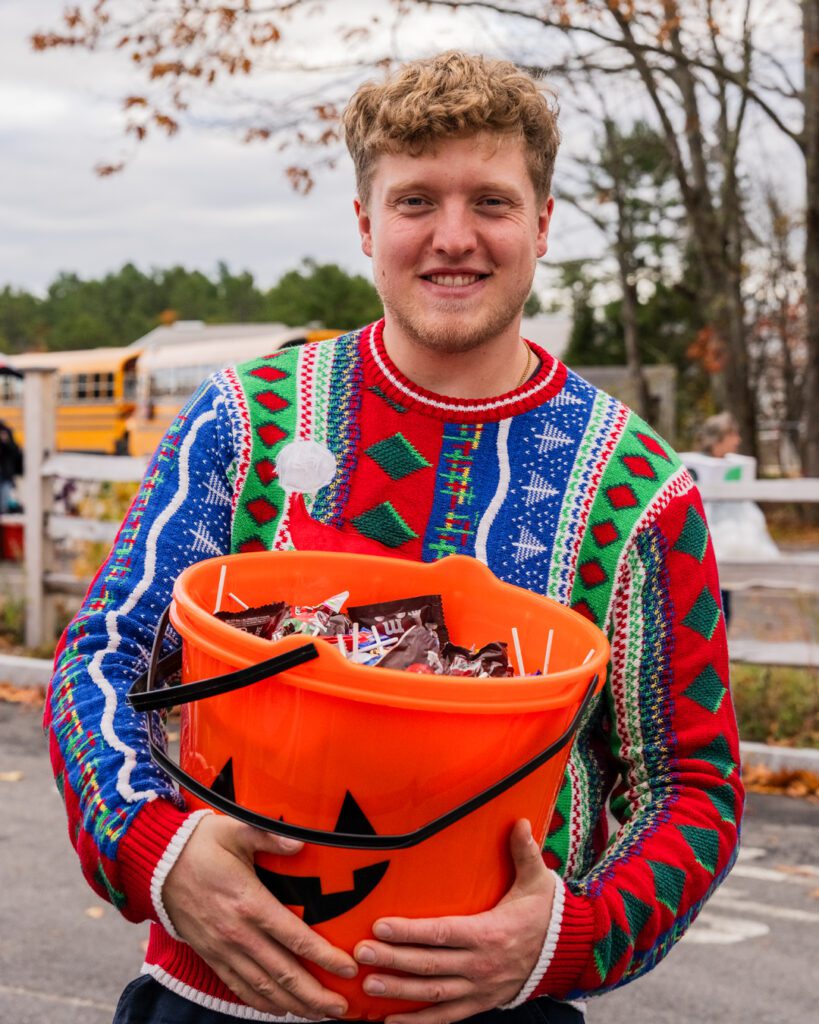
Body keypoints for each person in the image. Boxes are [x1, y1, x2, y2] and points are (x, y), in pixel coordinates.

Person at [45, 51, 743, 1024]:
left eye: (491, 202)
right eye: (416, 201)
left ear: (542, 223)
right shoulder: (245, 423)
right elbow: (102, 658)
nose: (453, 238)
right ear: (367, 223)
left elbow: (694, 784)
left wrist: (565, 937)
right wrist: (156, 852)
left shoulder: (637, 492)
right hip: (219, 1007)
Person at [687, 411, 779, 625]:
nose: (737, 440)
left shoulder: (734, 465)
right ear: (720, 436)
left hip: (728, 539)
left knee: (724, 593)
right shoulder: (696, 467)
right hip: (709, 538)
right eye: (733, 434)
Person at [0, 420, 23, 513]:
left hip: (5, 475)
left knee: (3, 503)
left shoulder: (5, 432)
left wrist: (5, 442)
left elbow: (15, 452)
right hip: (6, 474)